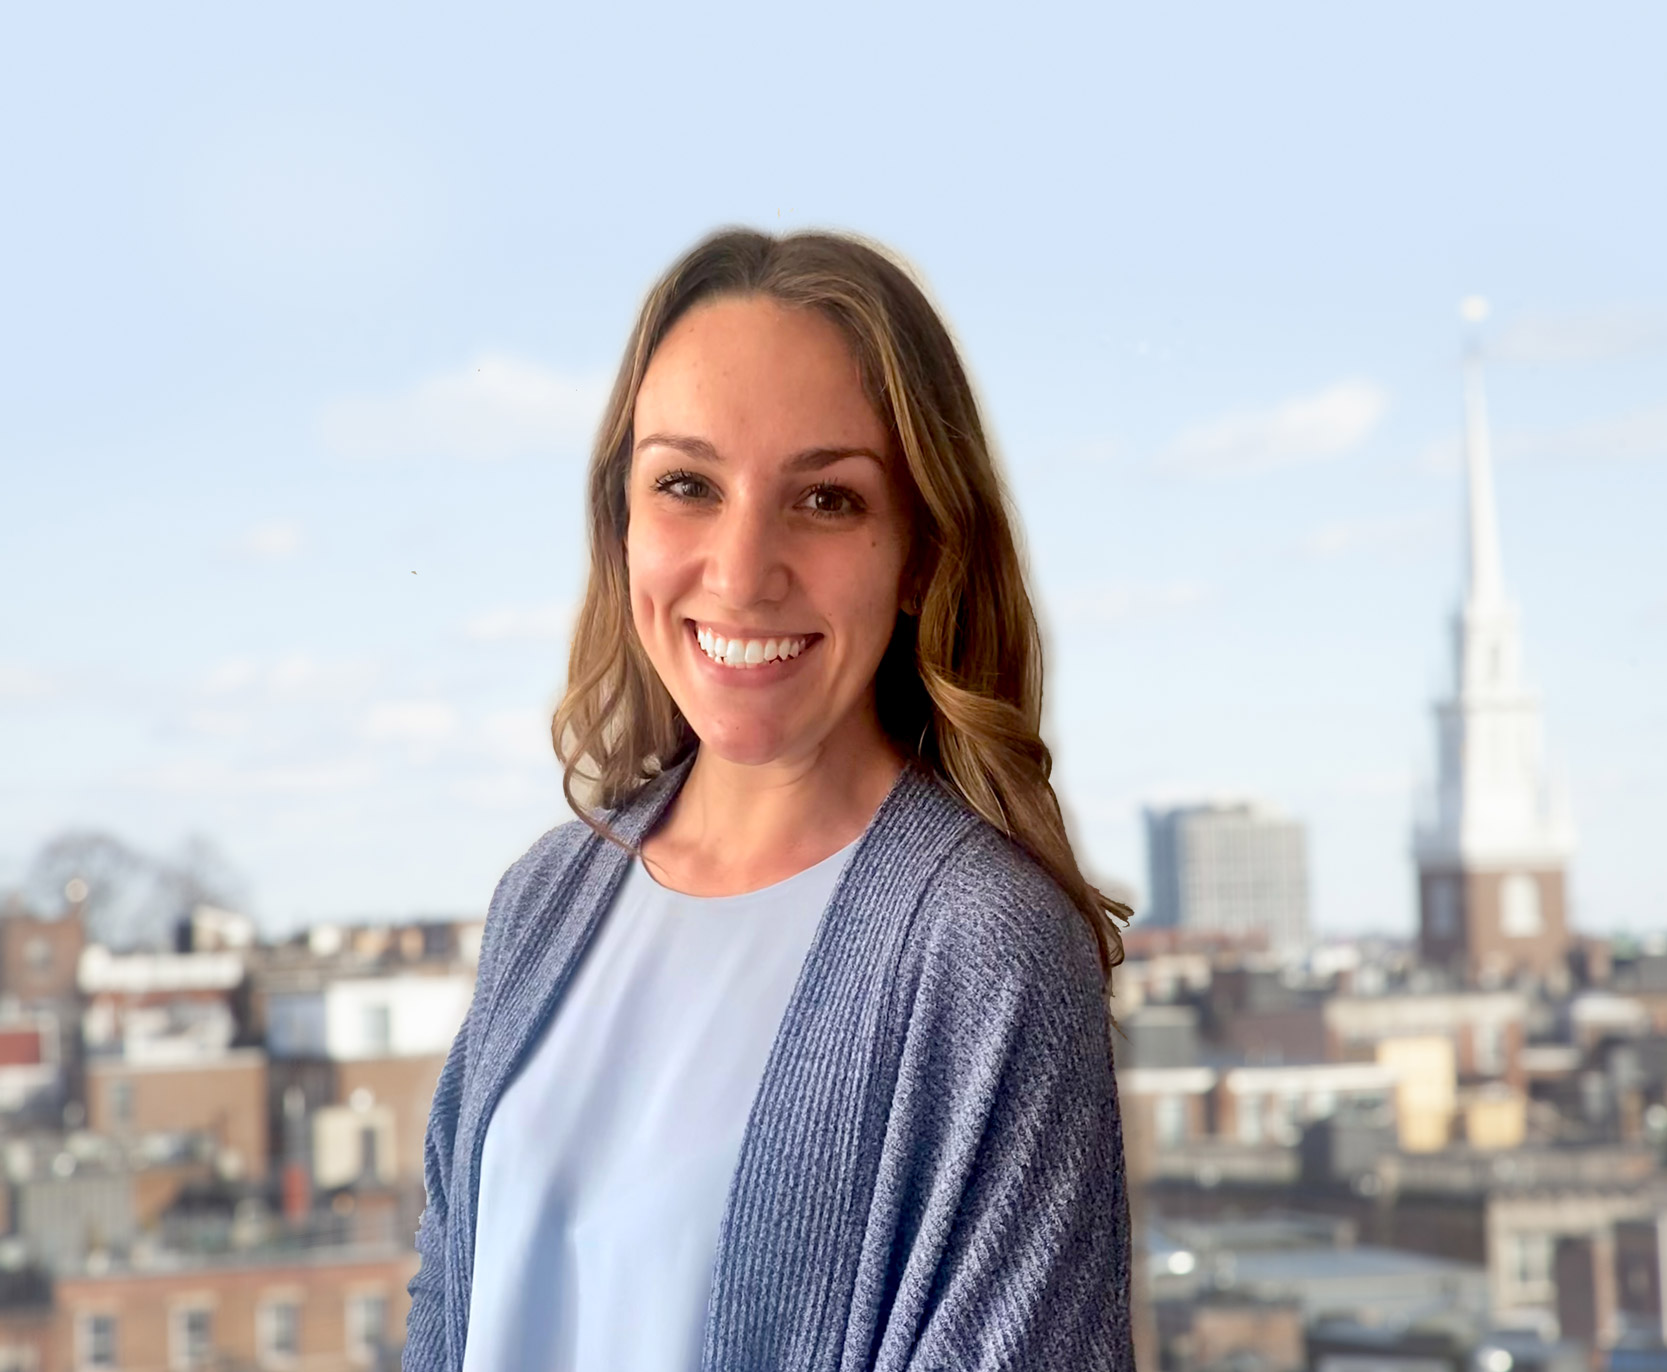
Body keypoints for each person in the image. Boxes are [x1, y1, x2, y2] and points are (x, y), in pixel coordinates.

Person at [400, 228, 1134, 1371]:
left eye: (828, 500)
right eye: (688, 484)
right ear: (624, 525)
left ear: (924, 553)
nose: (743, 572)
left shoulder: (984, 952)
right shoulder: (544, 901)